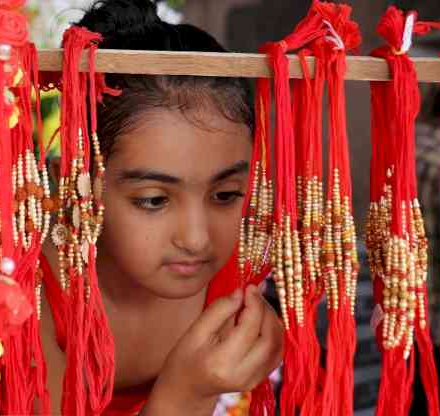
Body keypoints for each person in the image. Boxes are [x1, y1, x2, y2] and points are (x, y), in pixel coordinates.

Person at [38, 0, 284, 414]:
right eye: (153, 200)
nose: (197, 239)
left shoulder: (245, 270)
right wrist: (186, 394)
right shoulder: (24, 296)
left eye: (225, 195)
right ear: (76, 181)